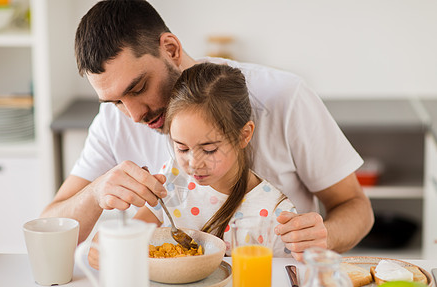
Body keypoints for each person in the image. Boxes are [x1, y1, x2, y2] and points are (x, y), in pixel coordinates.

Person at [41, 0, 373, 262]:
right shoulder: (114, 121)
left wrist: (324, 235)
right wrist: (96, 193)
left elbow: (356, 207)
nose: (134, 115)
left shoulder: (283, 97)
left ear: (170, 48)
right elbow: (50, 226)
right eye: (114, 101)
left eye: (139, 87)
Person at [142, 62, 296, 257]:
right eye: (182, 148)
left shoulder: (275, 213)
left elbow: (286, 277)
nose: (194, 163)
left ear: (244, 135)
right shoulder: (172, 180)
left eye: (209, 150)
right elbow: (132, 234)